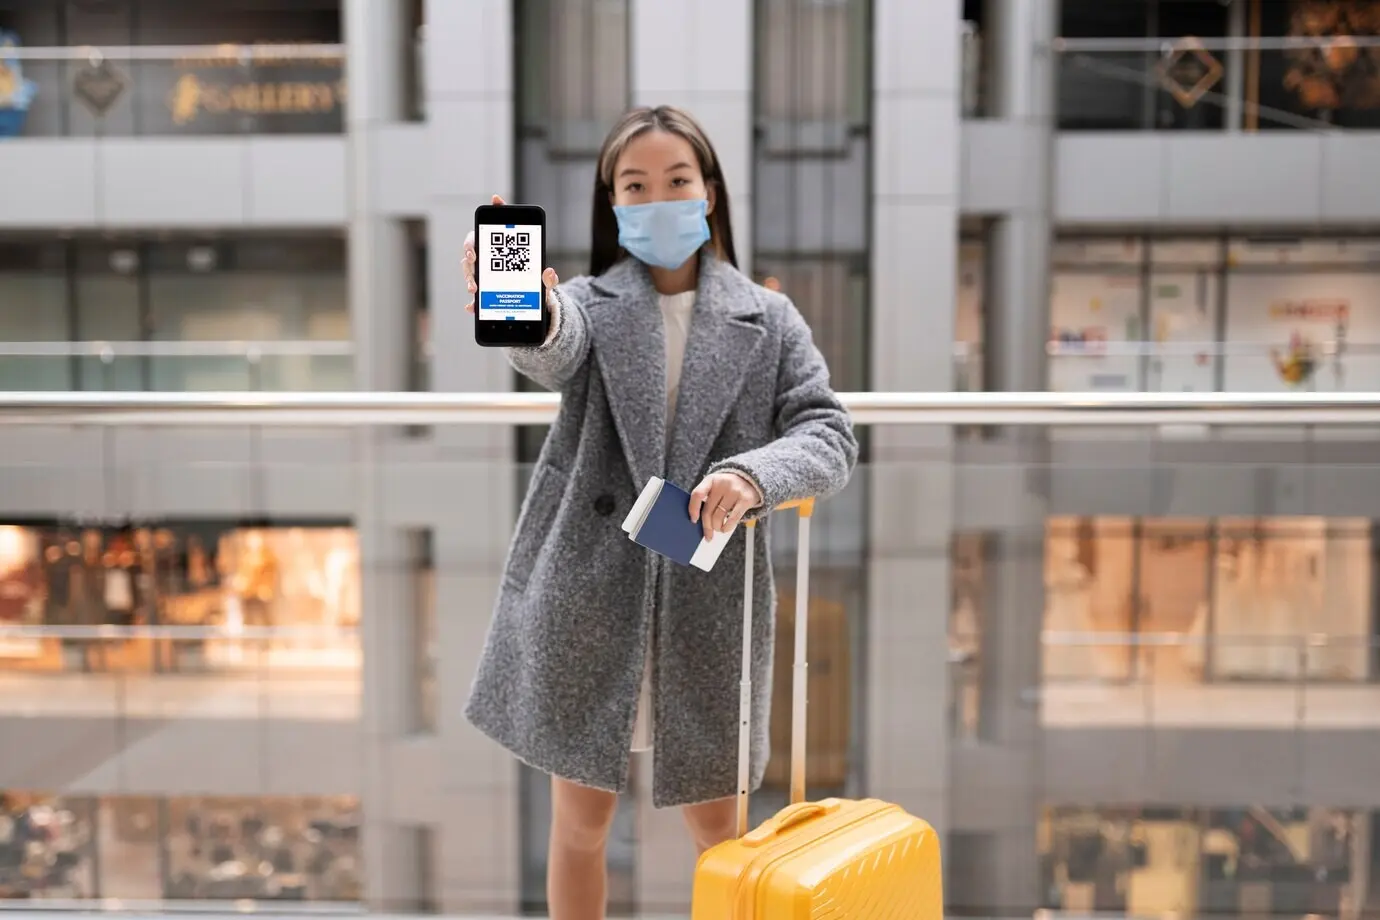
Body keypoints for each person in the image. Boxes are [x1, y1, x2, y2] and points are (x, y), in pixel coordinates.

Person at [461, 104, 857, 919]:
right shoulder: (588, 304)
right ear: (612, 207)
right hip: (590, 594)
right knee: (580, 822)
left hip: (709, 604)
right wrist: (525, 304)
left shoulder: (768, 318)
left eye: (677, 180)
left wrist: (752, 476)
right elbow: (551, 344)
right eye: (634, 187)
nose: (657, 200)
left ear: (709, 192)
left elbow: (827, 432)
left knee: (722, 832)